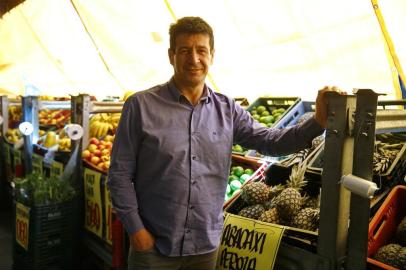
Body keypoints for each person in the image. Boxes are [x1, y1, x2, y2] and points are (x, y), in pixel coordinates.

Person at [108, 16, 341, 270]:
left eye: (201, 51)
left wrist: (318, 121)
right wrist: (137, 231)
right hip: (154, 248)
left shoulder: (227, 109)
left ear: (212, 55)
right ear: (171, 55)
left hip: (204, 248)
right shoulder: (141, 106)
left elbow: (271, 142)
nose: (194, 59)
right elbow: (119, 176)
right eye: (185, 50)